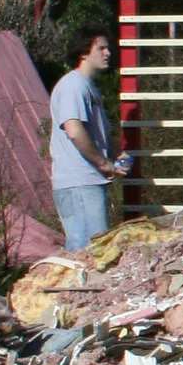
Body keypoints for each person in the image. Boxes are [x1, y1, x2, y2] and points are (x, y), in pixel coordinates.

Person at [50, 25, 129, 252]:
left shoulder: (89, 87)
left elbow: (98, 133)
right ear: (83, 52)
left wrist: (115, 154)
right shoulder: (74, 85)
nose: (108, 53)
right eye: (101, 48)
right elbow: (74, 130)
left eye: (108, 48)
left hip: (87, 182)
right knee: (88, 251)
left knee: (95, 248)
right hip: (79, 183)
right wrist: (103, 163)